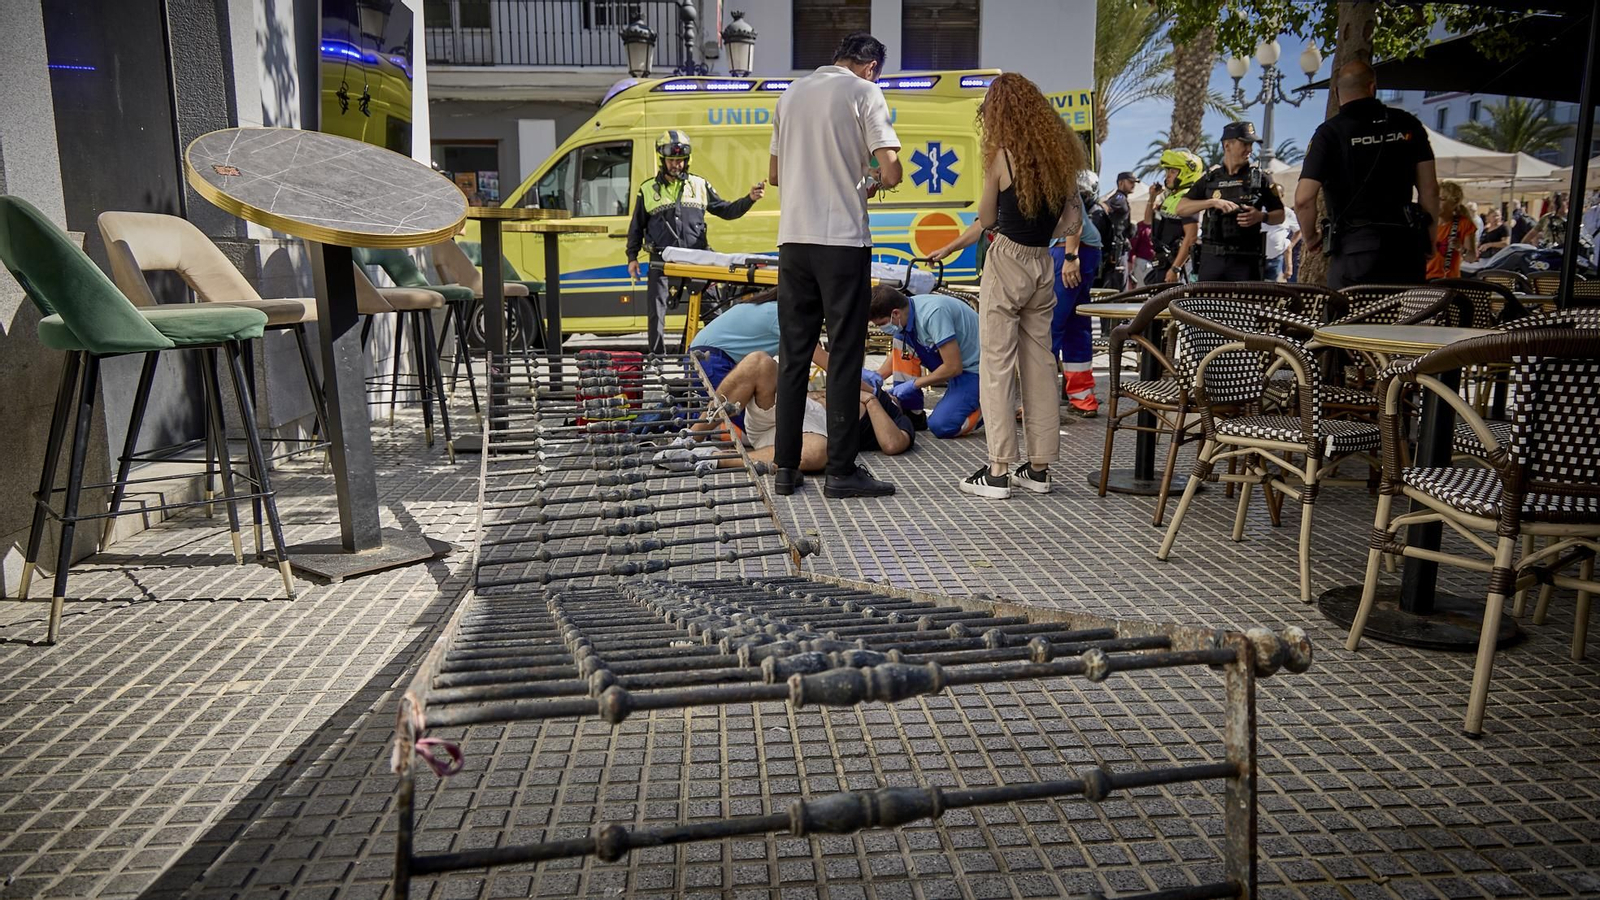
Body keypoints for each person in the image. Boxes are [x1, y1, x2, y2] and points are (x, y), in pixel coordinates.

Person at [925, 72, 1083, 500]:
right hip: (1041, 265)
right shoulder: (1061, 160)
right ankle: (1039, 468)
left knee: (996, 367)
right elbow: (1072, 222)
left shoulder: (1002, 158)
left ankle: (997, 472)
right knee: (1040, 364)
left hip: (1008, 258)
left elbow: (989, 219)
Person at [768, 32, 902, 499]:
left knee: (794, 356)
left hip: (793, 243)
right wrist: (867, 179)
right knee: (845, 354)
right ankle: (842, 472)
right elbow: (891, 170)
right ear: (870, 67)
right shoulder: (865, 91)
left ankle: (786, 470)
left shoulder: (790, 94)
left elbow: (774, 174)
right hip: (842, 242)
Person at [1295, 61, 1440, 289]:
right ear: (1372, 88)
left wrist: (1312, 237)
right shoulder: (1407, 123)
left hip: (1354, 249)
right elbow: (1430, 190)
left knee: (1347, 323)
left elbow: (1303, 199)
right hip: (1404, 246)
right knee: (1404, 323)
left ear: (1336, 92)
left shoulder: (1329, 133)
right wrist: (1430, 239)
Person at [626, 130, 766, 355]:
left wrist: (749, 199)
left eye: (680, 161)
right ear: (662, 160)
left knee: (712, 310)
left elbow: (727, 211)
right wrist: (632, 257)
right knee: (656, 313)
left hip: (697, 259)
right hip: (661, 260)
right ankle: (657, 360)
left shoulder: (700, 184)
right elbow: (636, 226)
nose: (676, 165)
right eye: (672, 160)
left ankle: (719, 354)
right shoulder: (647, 189)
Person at [679, 352, 912, 472]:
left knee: (821, 452)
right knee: (760, 362)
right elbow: (827, 362)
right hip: (789, 407)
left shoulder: (894, 414)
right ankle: (689, 439)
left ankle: (712, 458)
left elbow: (892, 444)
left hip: (809, 434)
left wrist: (872, 400)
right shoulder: (864, 385)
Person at [867, 286, 983, 438]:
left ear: (895, 313)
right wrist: (877, 377)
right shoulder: (908, 310)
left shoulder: (934, 314)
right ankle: (913, 414)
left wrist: (914, 384)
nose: (881, 329)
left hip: (976, 371)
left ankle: (988, 408)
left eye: (881, 323)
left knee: (942, 426)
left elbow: (954, 367)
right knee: (900, 338)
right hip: (953, 364)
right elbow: (903, 350)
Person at [1176, 121, 1285, 282]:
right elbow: (1181, 208)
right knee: (1207, 306)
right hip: (1211, 258)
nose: (1250, 149)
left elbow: (1280, 214)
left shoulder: (1260, 178)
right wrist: (1211, 202)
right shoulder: (1210, 179)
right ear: (1227, 145)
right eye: (1245, 144)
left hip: (1245, 260)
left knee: (1244, 307)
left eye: (1251, 144)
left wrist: (1261, 217)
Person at [687, 288, 827, 392]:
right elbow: (824, 361)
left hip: (705, 358)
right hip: (712, 362)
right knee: (735, 417)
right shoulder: (782, 315)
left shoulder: (770, 307)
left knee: (722, 415)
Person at [1052, 172, 1102, 416]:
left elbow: (1073, 218)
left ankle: (1041, 403)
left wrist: (1070, 257)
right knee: (1076, 325)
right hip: (1085, 249)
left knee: (1048, 327)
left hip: (1067, 250)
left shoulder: (1047, 174)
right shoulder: (1059, 170)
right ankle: (1082, 398)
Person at [1144, 149, 1203, 285]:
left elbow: (1191, 238)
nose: (1167, 176)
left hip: (1176, 268)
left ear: (1187, 173)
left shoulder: (1189, 197)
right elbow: (1148, 221)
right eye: (1167, 171)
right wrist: (1152, 197)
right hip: (1162, 264)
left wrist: (1175, 268)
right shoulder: (1171, 197)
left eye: (1173, 172)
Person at [1425, 181, 1478, 280]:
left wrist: (1460, 248)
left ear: (1454, 203)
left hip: (1447, 281)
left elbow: (1471, 258)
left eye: (1442, 199)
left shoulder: (1463, 224)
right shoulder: (1426, 222)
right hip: (1423, 279)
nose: (1437, 202)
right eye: (1436, 199)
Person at [1100, 172, 1137, 290]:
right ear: (1121, 183)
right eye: (1130, 182)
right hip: (1116, 249)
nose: (1133, 185)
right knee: (1117, 288)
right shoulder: (1119, 198)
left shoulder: (1123, 198)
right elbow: (1105, 206)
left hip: (1119, 248)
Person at [1262, 185, 1299, 282]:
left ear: (1282, 195)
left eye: (1277, 194)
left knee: (1269, 288)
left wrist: (1291, 244)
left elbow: (1299, 230)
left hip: (1275, 258)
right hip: (1257, 256)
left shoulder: (1288, 213)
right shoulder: (1260, 210)